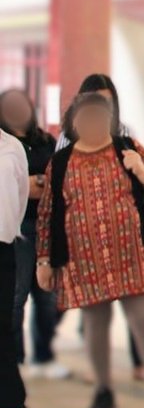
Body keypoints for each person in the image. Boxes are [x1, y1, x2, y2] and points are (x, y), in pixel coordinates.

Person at [36, 93, 144, 408]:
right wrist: (44, 260)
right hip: (85, 259)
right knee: (95, 326)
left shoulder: (128, 148)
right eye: (86, 117)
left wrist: (143, 172)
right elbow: (47, 214)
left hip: (133, 254)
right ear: (74, 122)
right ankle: (103, 389)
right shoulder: (61, 162)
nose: (93, 123)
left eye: (100, 117)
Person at [0, 89, 67, 380]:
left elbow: (57, 181)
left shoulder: (46, 142)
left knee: (49, 296)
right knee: (16, 298)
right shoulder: (5, 145)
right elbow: (16, 188)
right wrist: (32, 184)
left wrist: (35, 182)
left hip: (48, 225)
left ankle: (43, 355)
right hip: (18, 229)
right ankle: (14, 360)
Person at [0, 128, 48, 408]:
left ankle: (8, 404)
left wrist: (8, 231)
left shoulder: (12, 146)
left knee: (2, 324)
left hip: (3, 246)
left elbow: (19, 196)